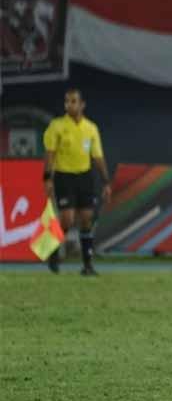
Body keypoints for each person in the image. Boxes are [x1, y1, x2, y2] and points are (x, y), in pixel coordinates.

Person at [42, 88, 111, 276]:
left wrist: (106, 181)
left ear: (82, 105)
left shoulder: (91, 128)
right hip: (64, 177)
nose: (69, 105)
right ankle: (53, 250)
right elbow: (50, 154)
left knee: (86, 219)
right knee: (67, 219)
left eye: (73, 101)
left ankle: (87, 265)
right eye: (67, 101)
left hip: (85, 177)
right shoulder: (56, 126)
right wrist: (47, 178)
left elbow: (97, 156)